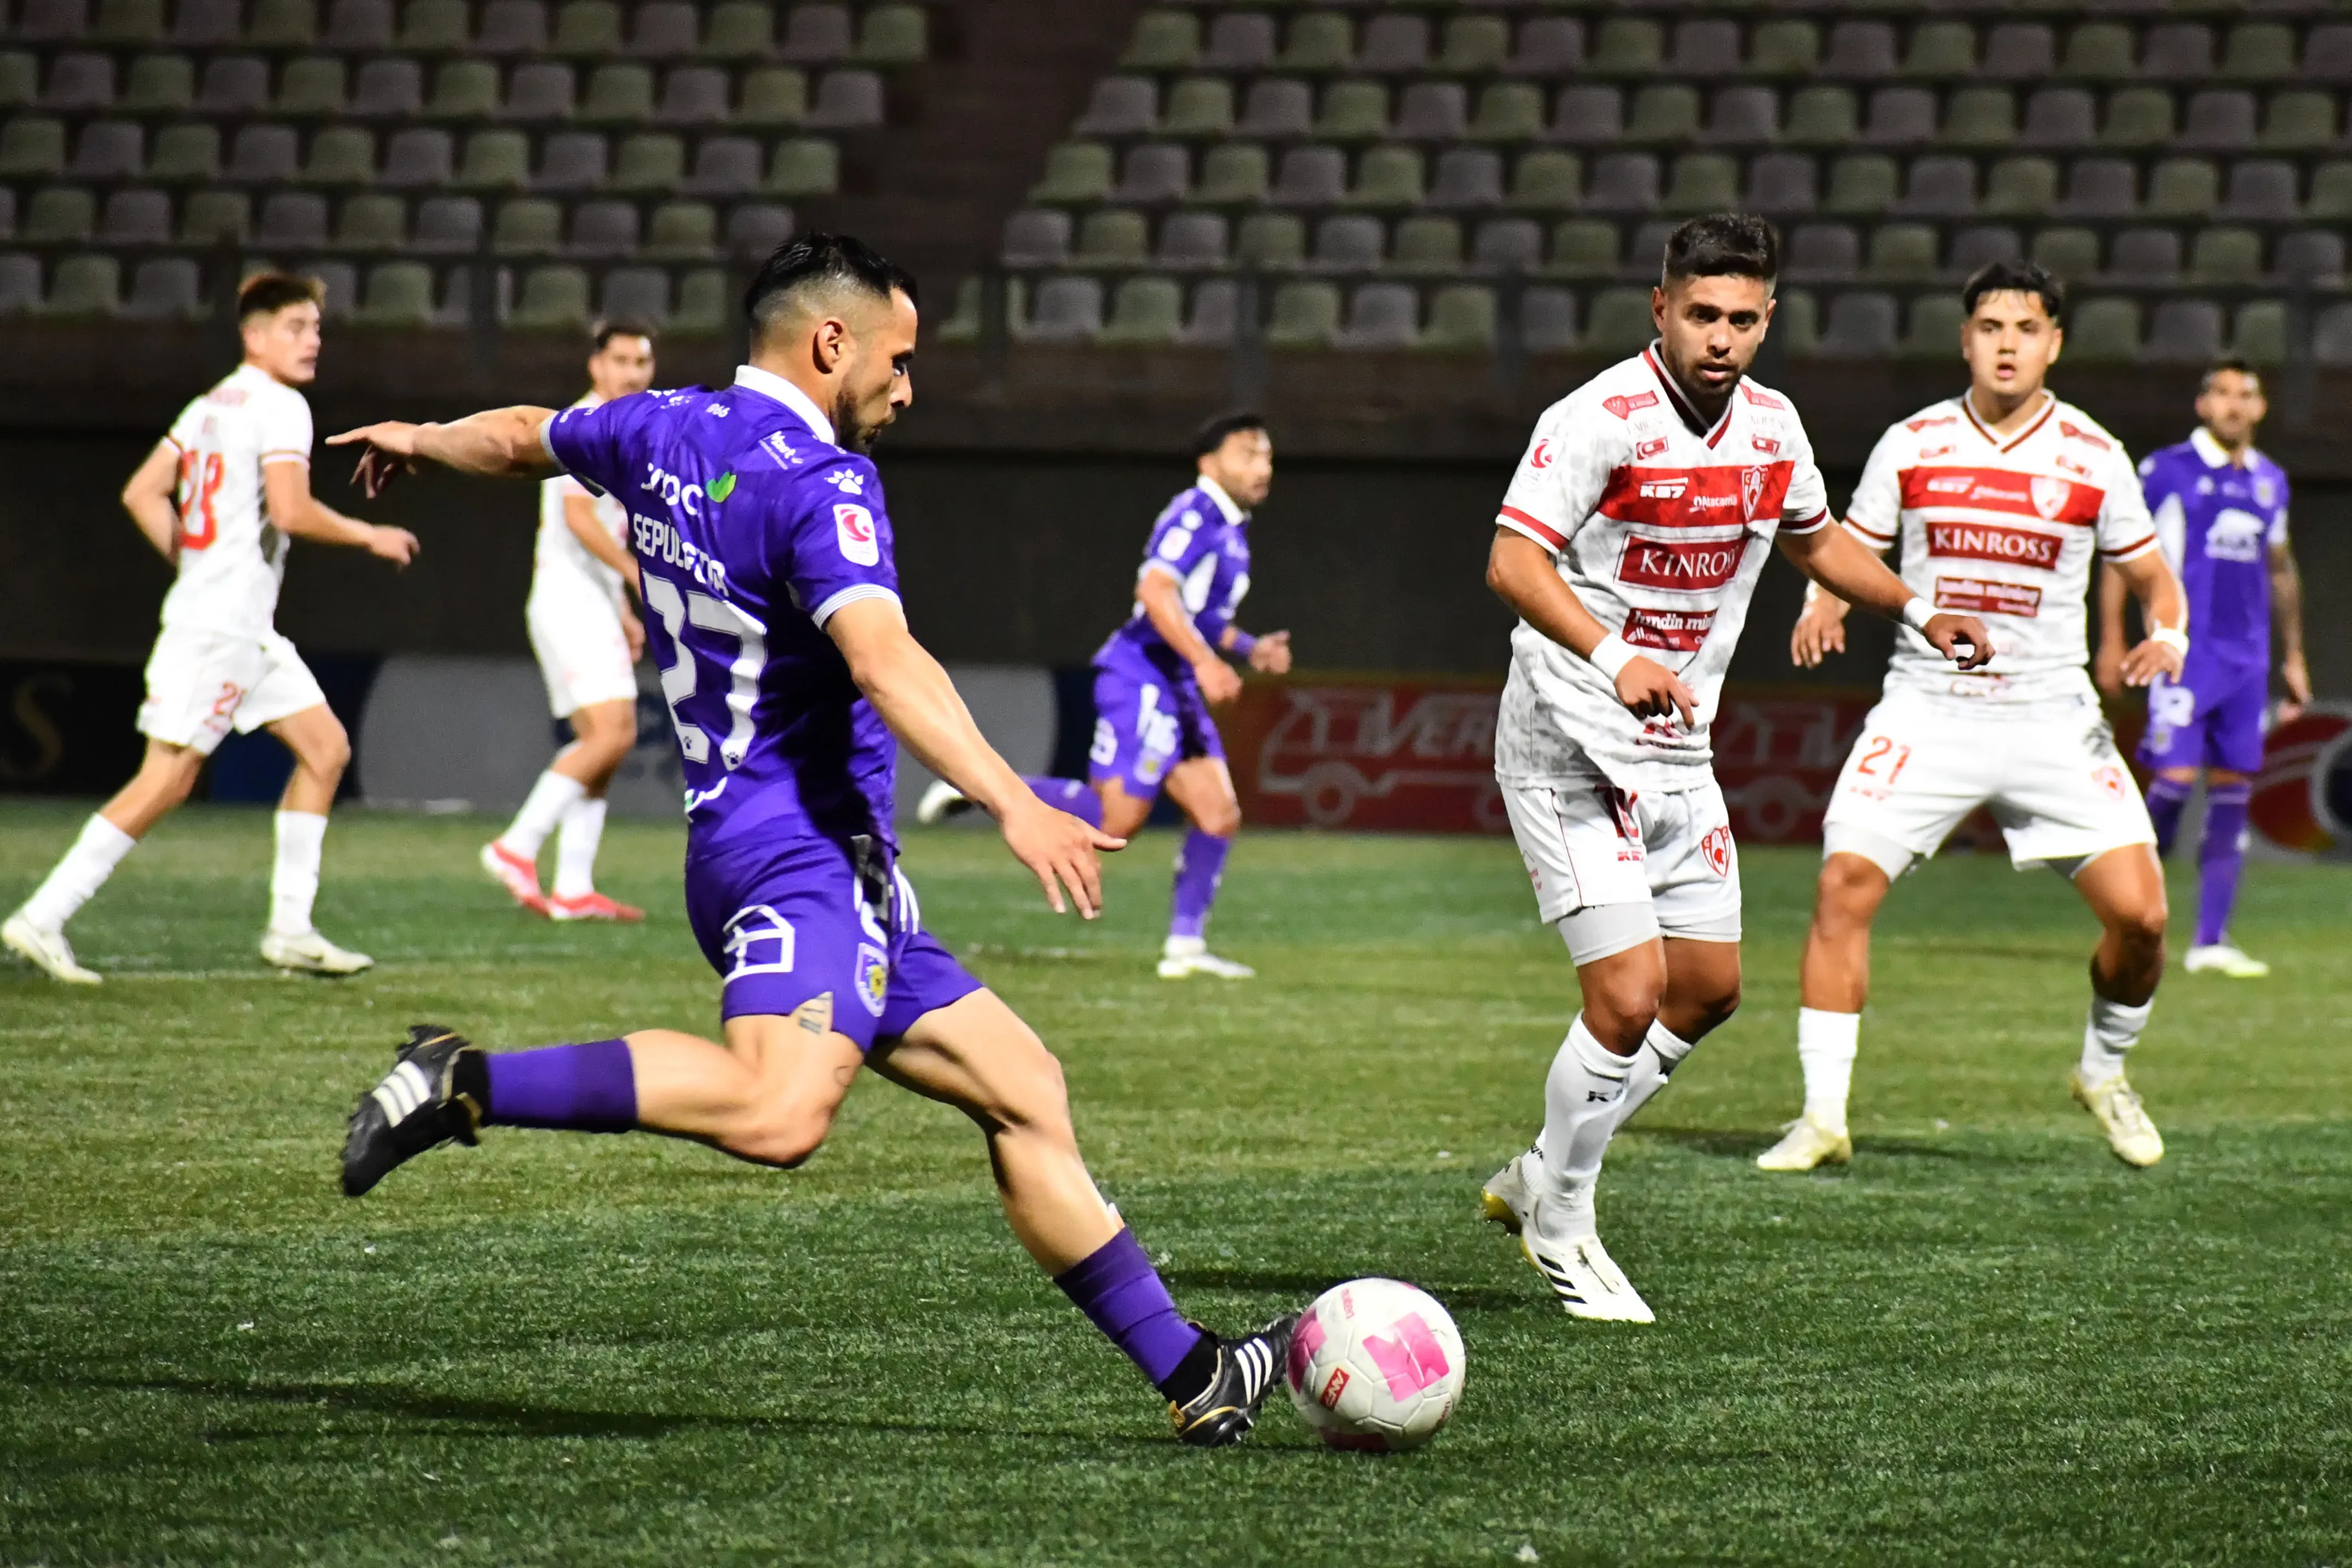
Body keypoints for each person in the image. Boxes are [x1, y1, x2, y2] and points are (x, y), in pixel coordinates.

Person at [325, 235, 1295, 1446]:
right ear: (832, 342)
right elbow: (886, 660)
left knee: (1024, 1090)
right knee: (780, 1111)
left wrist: (420, 439)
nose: (907, 387)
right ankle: (462, 1078)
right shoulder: (823, 483)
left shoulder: (659, 424)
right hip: (798, 855)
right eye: (899, 359)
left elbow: (524, 433)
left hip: (824, 860)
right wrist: (1012, 797)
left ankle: (1197, 1373)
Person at [1476, 214, 1992, 1323]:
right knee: (1627, 995)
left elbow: (1816, 539)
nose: (1721, 336)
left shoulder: (1771, 426)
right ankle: (1563, 1217)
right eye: (1702, 313)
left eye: (1743, 319)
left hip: (1678, 742)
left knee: (1707, 991)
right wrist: (1614, 656)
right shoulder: (1599, 418)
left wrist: (1918, 608)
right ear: (1660, 308)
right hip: (1568, 737)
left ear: (1768, 321)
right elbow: (1512, 560)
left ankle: (1541, 1171)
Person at [1762, 260, 2188, 1175]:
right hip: (1929, 709)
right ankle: (1822, 1116)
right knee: (1843, 886)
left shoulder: (2092, 453)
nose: (2007, 345)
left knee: (2145, 920)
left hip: (2051, 717)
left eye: (2026, 329)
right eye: (1990, 327)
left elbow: (2155, 577)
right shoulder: (1912, 443)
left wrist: (2170, 637)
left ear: (2054, 345)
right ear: (1965, 340)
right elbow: (1847, 549)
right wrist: (1822, 603)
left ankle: (2103, 1073)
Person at [3, 272, 418, 984]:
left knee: (325, 750)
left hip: (240, 624)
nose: (312, 341)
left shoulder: (208, 405)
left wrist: (195, 562)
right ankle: (42, 916)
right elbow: (291, 511)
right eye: (296, 327)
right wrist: (368, 534)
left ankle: (291, 930)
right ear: (254, 336)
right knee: (168, 778)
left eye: (316, 328)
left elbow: (143, 492)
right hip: (220, 626)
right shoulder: (282, 406)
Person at [917, 413, 1290, 980]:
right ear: (1208, 463)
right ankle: (983, 786)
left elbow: (1200, 615)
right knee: (1115, 824)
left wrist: (1249, 646)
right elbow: (1155, 592)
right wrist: (1207, 663)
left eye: (1266, 456)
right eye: (1248, 454)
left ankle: (1185, 948)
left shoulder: (1231, 530)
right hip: (1141, 675)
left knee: (1218, 815)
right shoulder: (1195, 514)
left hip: (1174, 681)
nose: (1262, 467)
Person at [2094, 358, 2306, 979]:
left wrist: (2294, 655)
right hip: (2183, 652)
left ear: (2260, 407)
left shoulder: (2270, 480)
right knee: (2175, 781)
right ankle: (2129, 911)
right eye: (2222, 393)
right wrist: (2112, 638)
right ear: (2203, 404)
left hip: (2248, 660)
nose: (2234, 405)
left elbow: (2281, 570)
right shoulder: (2167, 471)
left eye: (2246, 394)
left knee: (2234, 791)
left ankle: (2211, 940)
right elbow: (2120, 557)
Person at [480, 320, 658, 922]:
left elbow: (599, 525)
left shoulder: (619, 428)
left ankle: (575, 887)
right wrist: (635, 577)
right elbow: (580, 518)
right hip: (569, 600)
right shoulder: (584, 424)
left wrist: (622, 610)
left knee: (607, 741)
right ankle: (515, 846)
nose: (633, 373)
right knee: (611, 736)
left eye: (642, 362)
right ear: (596, 365)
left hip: (588, 600)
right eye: (621, 361)